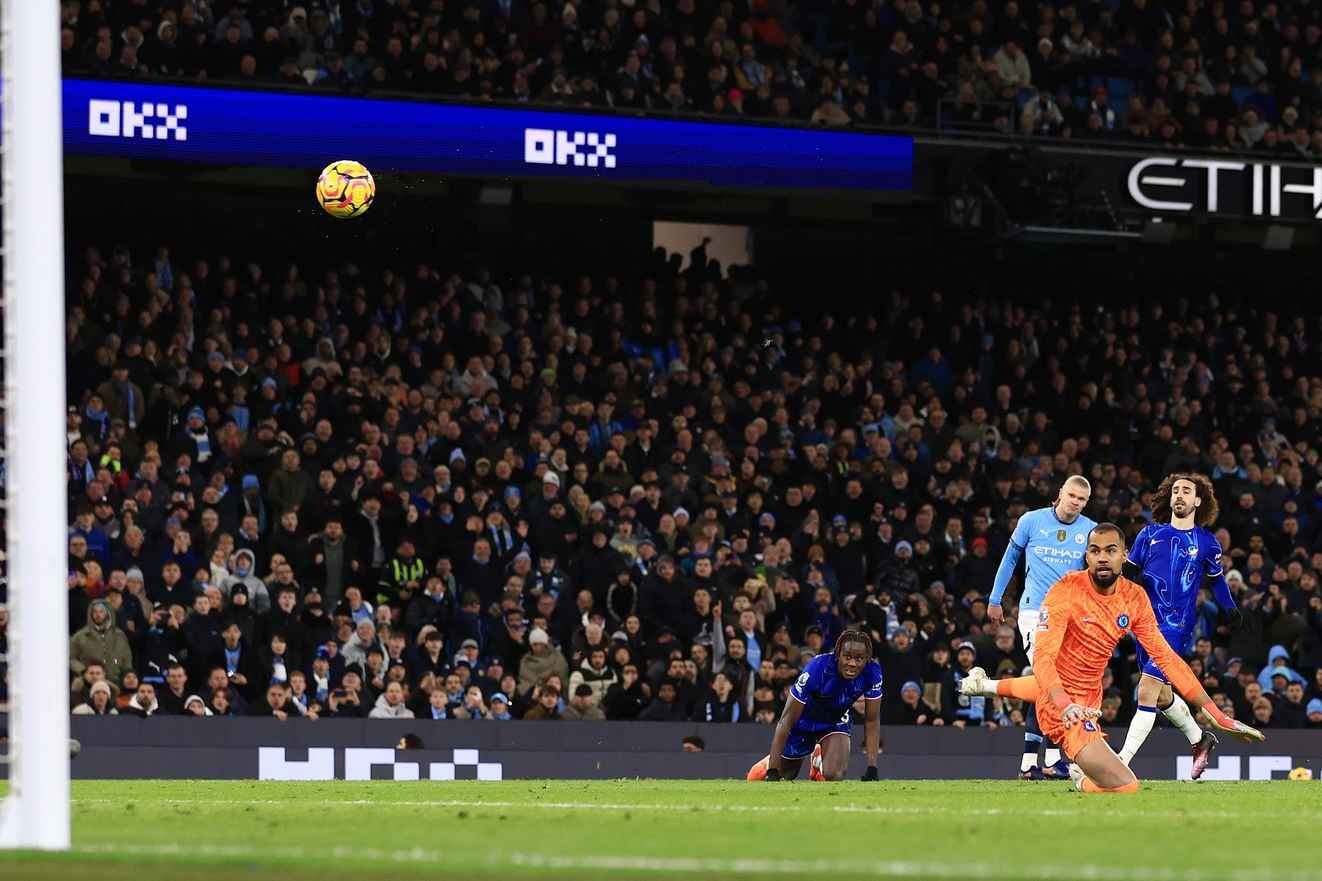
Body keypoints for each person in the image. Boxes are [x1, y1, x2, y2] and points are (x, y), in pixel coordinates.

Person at [960, 523, 1263, 793]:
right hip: (1062, 706)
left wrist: (1216, 714)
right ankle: (1080, 779)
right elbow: (1043, 658)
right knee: (1127, 785)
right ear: (1087, 557)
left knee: (1073, 686)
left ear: (1124, 555)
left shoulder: (1134, 597)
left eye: (1110, 550)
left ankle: (986, 686)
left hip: (1089, 699)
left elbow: (1167, 659)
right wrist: (1064, 705)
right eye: (1094, 550)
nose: (1102, 557)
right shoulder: (1065, 590)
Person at [1116, 474, 1239, 776]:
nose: (1179, 495)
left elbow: (1217, 582)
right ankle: (1200, 738)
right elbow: (1128, 577)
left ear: (1198, 501)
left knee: (1145, 691)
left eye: (1186, 491)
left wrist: (1231, 610)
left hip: (1175, 627)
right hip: (1143, 625)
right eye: (1175, 491)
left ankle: (1119, 763)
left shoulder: (1207, 543)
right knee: (1160, 695)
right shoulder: (1149, 535)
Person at [987, 475, 1095, 779]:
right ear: (1060, 493)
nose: (1075, 503)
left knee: (1050, 683)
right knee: (1049, 680)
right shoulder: (1031, 521)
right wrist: (995, 598)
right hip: (1035, 612)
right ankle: (1047, 759)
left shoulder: (1089, 530)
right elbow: (1010, 559)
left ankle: (1030, 763)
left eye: (1082, 499)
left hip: (1069, 616)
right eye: (1072, 495)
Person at [746, 628, 882, 782]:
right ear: (838, 655)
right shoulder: (817, 668)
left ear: (867, 659)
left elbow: (872, 720)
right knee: (781, 775)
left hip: (835, 720)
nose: (852, 663)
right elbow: (786, 720)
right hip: (803, 720)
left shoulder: (873, 673)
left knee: (834, 774)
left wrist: (872, 768)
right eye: (847, 657)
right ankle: (769, 763)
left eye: (859, 659)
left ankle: (819, 764)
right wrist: (772, 771)